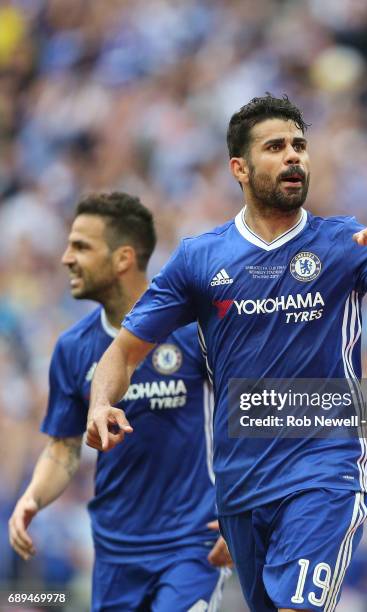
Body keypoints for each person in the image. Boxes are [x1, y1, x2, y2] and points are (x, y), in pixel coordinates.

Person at [86, 96, 367, 612]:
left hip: (324, 470)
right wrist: (101, 404)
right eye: (276, 147)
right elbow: (122, 353)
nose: (293, 158)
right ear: (239, 167)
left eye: (300, 146)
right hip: (241, 489)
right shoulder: (201, 258)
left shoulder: (343, 242)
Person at [8, 192, 231, 612]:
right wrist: (32, 498)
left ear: (123, 258)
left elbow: (246, 414)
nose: (65, 258)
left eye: (81, 247)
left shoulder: (191, 331)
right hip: (114, 554)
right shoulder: (72, 348)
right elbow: (63, 448)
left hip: (191, 545)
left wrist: (243, 506)